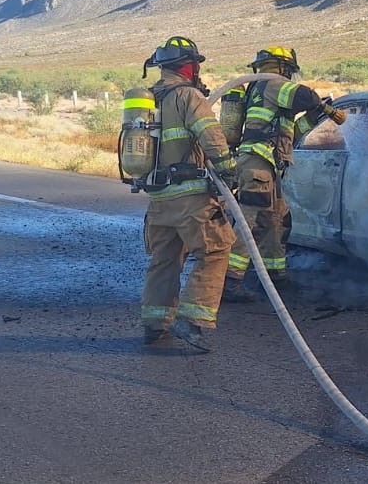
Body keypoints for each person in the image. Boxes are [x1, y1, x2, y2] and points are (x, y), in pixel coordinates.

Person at [137, 36, 238, 352]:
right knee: (216, 250)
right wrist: (229, 169)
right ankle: (192, 319)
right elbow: (211, 135)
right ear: (189, 66)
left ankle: (154, 325)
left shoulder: (147, 101)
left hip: (158, 200)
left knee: (164, 260)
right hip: (190, 197)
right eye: (196, 65)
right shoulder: (188, 95)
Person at [221, 47, 345, 301]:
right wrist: (319, 103)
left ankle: (275, 278)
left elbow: (290, 133)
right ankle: (230, 281)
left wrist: (315, 116)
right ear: (283, 67)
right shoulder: (274, 84)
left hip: (268, 167)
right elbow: (306, 96)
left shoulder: (265, 91)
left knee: (276, 221)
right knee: (249, 223)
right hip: (257, 164)